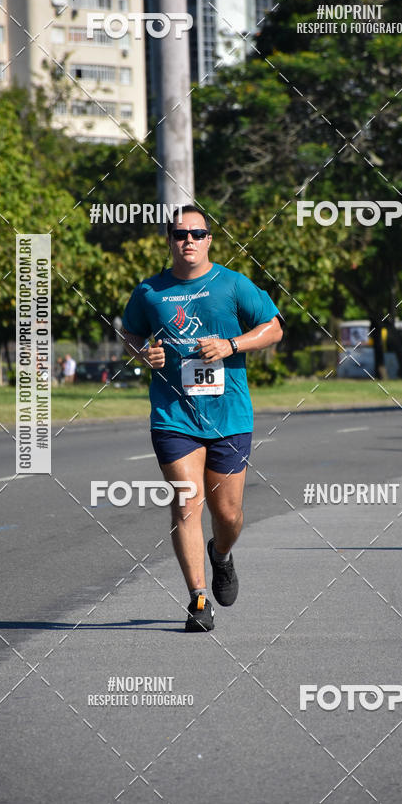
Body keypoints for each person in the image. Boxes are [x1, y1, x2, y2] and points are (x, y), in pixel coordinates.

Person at [121, 205, 283, 632]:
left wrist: (231, 345)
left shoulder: (232, 284)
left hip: (229, 416)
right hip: (173, 416)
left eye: (197, 233)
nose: (188, 240)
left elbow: (274, 327)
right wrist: (142, 353)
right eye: (180, 234)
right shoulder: (150, 292)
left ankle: (222, 554)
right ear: (169, 239)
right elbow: (130, 332)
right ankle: (197, 599)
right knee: (186, 503)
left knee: (227, 515)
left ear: (210, 239)